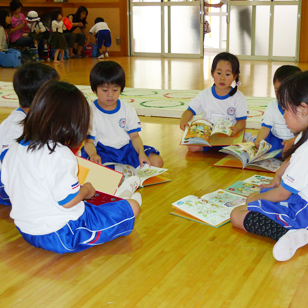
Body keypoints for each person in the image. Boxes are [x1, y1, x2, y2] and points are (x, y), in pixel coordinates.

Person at [1, 80, 141, 254]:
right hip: (64, 233)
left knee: (94, 206)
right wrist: (86, 190)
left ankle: (120, 196)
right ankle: (125, 197)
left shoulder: (12, 149)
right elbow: (68, 201)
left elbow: (10, 188)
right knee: (133, 207)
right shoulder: (60, 154)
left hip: (26, 229)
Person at [230, 71, 308, 262]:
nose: (283, 116)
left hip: (302, 211)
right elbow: (292, 159)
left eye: (285, 110)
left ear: (303, 109)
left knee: (238, 213)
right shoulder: (303, 138)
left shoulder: (306, 150)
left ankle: (290, 234)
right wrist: (278, 175)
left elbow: (282, 194)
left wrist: (256, 197)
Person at [81, 61, 164, 169]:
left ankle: (123, 170)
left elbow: (134, 136)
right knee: (101, 171)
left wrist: (141, 153)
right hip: (103, 152)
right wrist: (93, 155)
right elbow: (88, 142)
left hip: (127, 150)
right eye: (105, 90)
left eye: (115, 90)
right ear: (94, 90)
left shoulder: (127, 109)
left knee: (157, 162)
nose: (110, 94)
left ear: (121, 88)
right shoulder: (91, 112)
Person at [0, 63, 59, 206]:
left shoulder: (34, 117)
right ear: (42, 98)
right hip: (6, 185)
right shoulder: (17, 125)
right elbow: (7, 161)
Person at [180, 52, 248, 152]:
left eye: (228, 74)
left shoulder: (238, 97)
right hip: (207, 137)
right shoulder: (205, 94)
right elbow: (190, 110)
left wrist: (237, 129)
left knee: (241, 147)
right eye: (219, 73)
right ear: (212, 73)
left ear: (235, 76)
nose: (222, 78)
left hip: (227, 137)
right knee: (192, 147)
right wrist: (183, 120)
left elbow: (242, 121)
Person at [254, 65, 301, 157]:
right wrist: (259, 139)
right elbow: (265, 128)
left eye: (285, 91)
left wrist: (293, 140)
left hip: (295, 140)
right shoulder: (272, 105)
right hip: (277, 139)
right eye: (277, 90)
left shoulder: (302, 108)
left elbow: (304, 134)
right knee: (264, 143)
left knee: (300, 148)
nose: (280, 95)